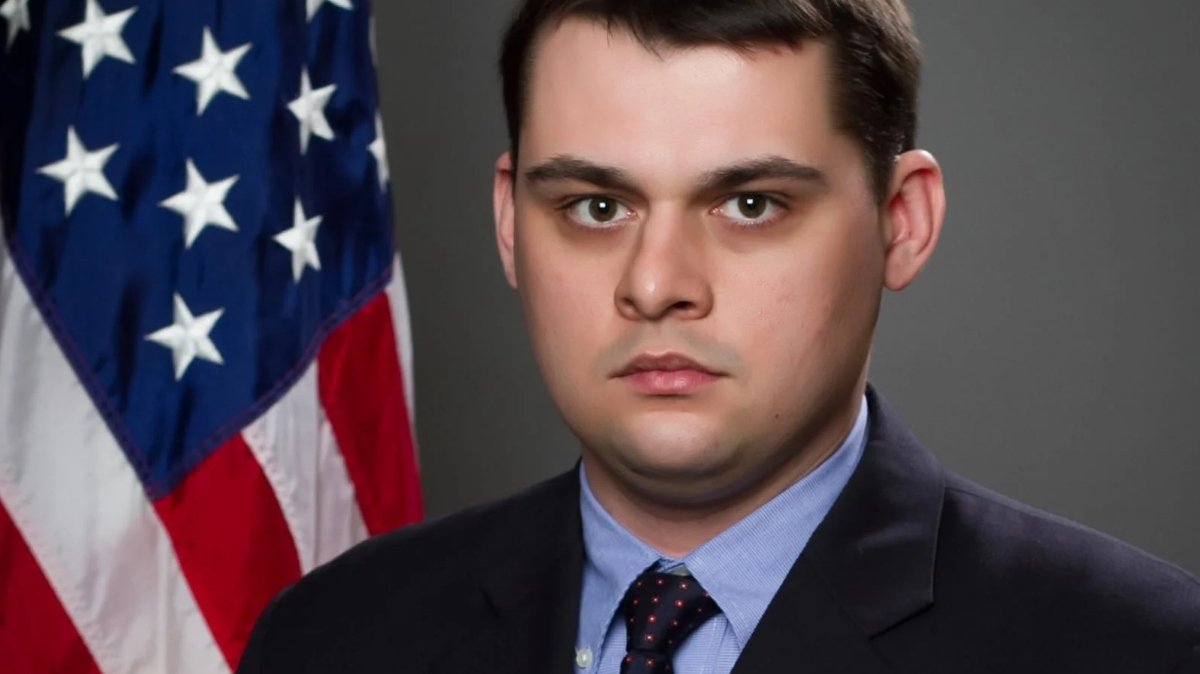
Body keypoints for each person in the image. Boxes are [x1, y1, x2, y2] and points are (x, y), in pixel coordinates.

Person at [238, 1, 1200, 672]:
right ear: (508, 225)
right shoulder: (332, 640)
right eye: (596, 205)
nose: (655, 286)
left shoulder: (1140, 650)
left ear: (900, 221)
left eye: (750, 203)